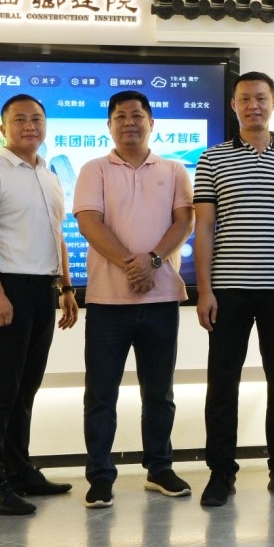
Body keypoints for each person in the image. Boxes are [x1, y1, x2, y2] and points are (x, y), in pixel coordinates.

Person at [195, 72, 274, 507]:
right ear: (233, 105)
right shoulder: (212, 158)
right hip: (228, 289)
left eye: (261, 98)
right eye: (244, 99)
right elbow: (204, 228)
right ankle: (220, 473)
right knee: (221, 384)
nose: (253, 106)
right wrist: (204, 290)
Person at [74, 90, 194, 508]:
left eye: (137, 115)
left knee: (159, 393)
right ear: (109, 125)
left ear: (151, 123)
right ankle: (100, 476)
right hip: (107, 303)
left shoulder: (174, 169)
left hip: (161, 301)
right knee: (101, 394)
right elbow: (89, 223)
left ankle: (159, 469)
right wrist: (132, 264)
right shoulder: (94, 169)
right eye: (121, 116)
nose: (129, 122)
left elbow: (184, 221)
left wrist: (153, 260)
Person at [0, 94, 78, 515]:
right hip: (6, 288)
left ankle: (18, 471)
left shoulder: (48, 174)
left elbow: (57, 234)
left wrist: (66, 287)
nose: (30, 126)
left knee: (25, 388)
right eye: (20, 120)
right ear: (3, 128)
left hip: (43, 290)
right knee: (0, 390)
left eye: (37, 119)